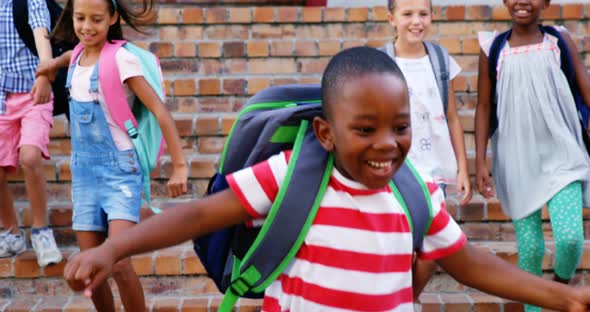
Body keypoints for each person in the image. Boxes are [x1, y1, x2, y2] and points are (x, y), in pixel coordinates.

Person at [64, 46, 590, 312]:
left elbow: (469, 262)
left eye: (400, 127)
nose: (387, 143)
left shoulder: (417, 194)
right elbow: (199, 213)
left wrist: (564, 298)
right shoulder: (293, 178)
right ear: (326, 131)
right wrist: (114, 250)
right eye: (365, 129)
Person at [50, 0, 189, 310]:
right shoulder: (76, 57)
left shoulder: (121, 59)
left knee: (119, 262)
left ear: (113, 17)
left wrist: (179, 166)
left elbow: (160, 112)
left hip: (120, 173)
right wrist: (46, 70)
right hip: (84, 176)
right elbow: (64, 58)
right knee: (90, 268)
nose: (87, 27)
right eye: (80, 18)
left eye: (96, 20)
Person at [475, 1, 590, 311]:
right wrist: (480, 162)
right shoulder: (493, 48)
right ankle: (533, 308)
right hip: (516, 159)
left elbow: (585, 87)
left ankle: (559, 287)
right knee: (530, 248)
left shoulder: (558, 41)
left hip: (561, 153)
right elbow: (484, 106)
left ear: (546, 2)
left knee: (568, 238)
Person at [385, 0, 472, 299]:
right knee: (400, 244)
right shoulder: (382, 62)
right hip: (396, 171)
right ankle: (395, 301)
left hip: (435, 170)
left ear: (432, 17)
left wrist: (462, 168)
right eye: (407, 14)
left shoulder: (439, 60)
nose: (416, 21)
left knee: (432, 247)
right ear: (391, 19)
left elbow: (451, 118)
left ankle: (407, 300)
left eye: (423, 14)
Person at [0, 0, 62, 267]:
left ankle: (41, 231)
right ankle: (11, 232)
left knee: (29, 156)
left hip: (34, 94)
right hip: (2, 98)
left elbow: (42, 36)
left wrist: (45, 75)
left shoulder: (29, 0)